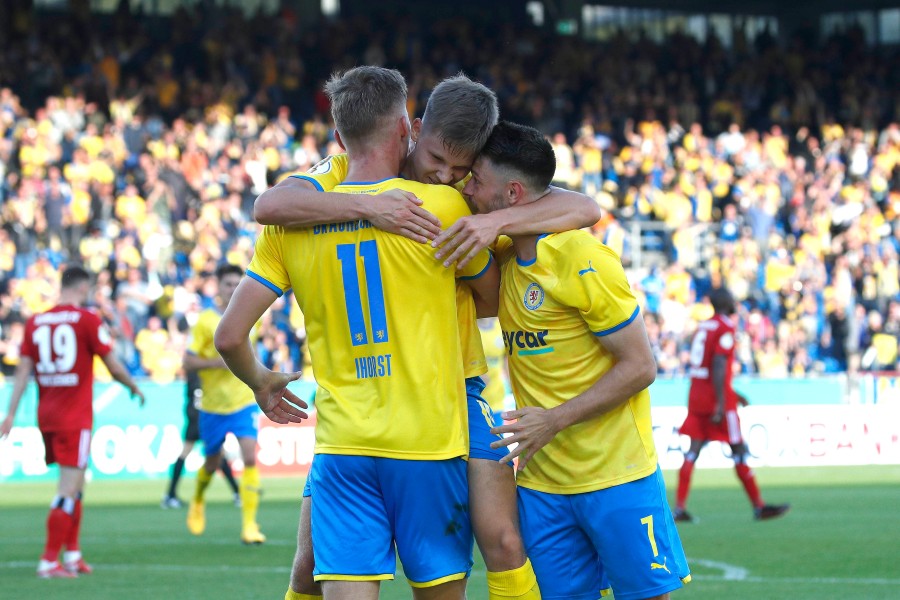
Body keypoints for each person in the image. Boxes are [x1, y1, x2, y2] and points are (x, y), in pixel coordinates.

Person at [255, 73, 600, 600]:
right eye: (437, 157)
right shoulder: (350, 172)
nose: (445, 174)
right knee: (308, 567)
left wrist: (494, 224)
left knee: (503, 540)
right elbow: (271, 206)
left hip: (457, 389)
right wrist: (369, 206)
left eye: (461, 168)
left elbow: (582, 209)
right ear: (412, 130)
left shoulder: (463, 199)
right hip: (374, 406)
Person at [215, 66, 497, 600]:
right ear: (404, 130)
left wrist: (261, 381)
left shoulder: (289, 224)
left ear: (340, 137)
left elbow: (229, 337)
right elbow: (492, 300)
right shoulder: (440, 208)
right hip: (427, 446)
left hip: (344, 447)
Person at [466, 121, 691, 599]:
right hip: (543, 484)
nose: (467, 188)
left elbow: (640, 366)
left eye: (476, 180)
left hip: (617, 476)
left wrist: (553, 420)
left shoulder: (582, 257)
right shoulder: (504, 255)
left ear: (510, 193)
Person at [0, 265, 145, 579]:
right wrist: (133, 387)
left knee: (76, 487)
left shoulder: (36, 321)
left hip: (47, 415)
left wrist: (10, 413)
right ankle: (49, 561)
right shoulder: (87, 319)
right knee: (67, 488)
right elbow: (114, 366)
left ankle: (73, 554)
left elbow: (23, 370)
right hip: (74, 416)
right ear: (83, 288)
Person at [674, 287, 790, 523]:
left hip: (697, 394)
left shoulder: (704, 326)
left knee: (692, 451)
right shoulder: (726, 327)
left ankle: (679, 507)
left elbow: (707, 366)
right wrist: (722, 400)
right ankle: (759, 506)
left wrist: (734, 394)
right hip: (717, 401)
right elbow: (718, 365)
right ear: (726, 303)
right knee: (738, 450)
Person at [183, 263, 266, 544]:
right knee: (211, 462)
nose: (232, 288)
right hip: (212, 405)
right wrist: (216, 364)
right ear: (217, 287)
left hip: (243, 401)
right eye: (227, 284)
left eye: (235, 284)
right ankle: (197, 499)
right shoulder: (205, 321)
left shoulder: (249, 318)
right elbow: (187, 361)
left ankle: (249, 525)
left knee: (250, 456)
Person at [160, 368, 241, 509]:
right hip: (206, 417)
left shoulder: (192, 373)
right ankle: (237, 494)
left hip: (193, 417)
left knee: (185, 453)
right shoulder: (209, 373)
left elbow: (189, 396)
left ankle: (170, 494)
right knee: (218, 454)